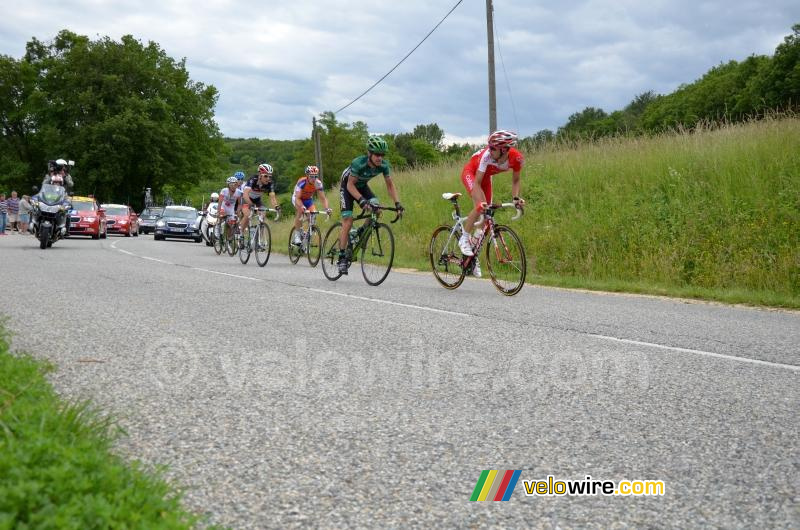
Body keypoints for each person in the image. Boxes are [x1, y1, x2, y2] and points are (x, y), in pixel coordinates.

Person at [457, 130, 525, 276]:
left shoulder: (517, 158)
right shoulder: (486, 156)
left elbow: (516, 180)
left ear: (504, 149)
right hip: (472, 174)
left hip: (486, 179)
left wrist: (515, 199)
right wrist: (481, 204)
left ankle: (472, 257)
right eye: (489, 146)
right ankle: (464, 239)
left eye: (493, 147)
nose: (489, 149)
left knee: (485, 223)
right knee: (480, 206)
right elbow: (477, 183)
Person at [337, 136, 404, 274]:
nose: (380, 158)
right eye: (377, 155)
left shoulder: (384, 166)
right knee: (348, 221)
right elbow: (350, 185)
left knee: (377, 209)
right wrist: (361, 200)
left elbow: (390, 186)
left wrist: (397, 203)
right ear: (369, 153)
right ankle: (342, 258)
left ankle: (360, 231)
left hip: (362, 186)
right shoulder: (358, 163)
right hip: (347, 186)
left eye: (382, 155)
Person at [291, 165, 331, 245]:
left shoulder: (318, 183)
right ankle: (297, 235)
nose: (314, 178)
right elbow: (298, 198)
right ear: (307, 176)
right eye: (311, 176)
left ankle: (307, 237)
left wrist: (327, 209)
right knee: (300, 211)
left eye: (316, 176)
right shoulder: (302, 182)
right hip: (298, 199)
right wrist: (302, 207)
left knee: (313, 214)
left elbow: (323, 198)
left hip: (308, 200)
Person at [240, 165, 279, 241]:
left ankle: (258, 239)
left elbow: (272, 197)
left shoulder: (270, 183)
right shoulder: (253, 180)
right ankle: (240, 234)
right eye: (266, 176)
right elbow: (245, 194)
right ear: (260, 175)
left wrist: (276, 206)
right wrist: (251, 204)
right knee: (248, 215)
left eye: (270, 176)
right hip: (246, 199)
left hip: (257, 200)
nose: (268, 178)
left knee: (263, 213)